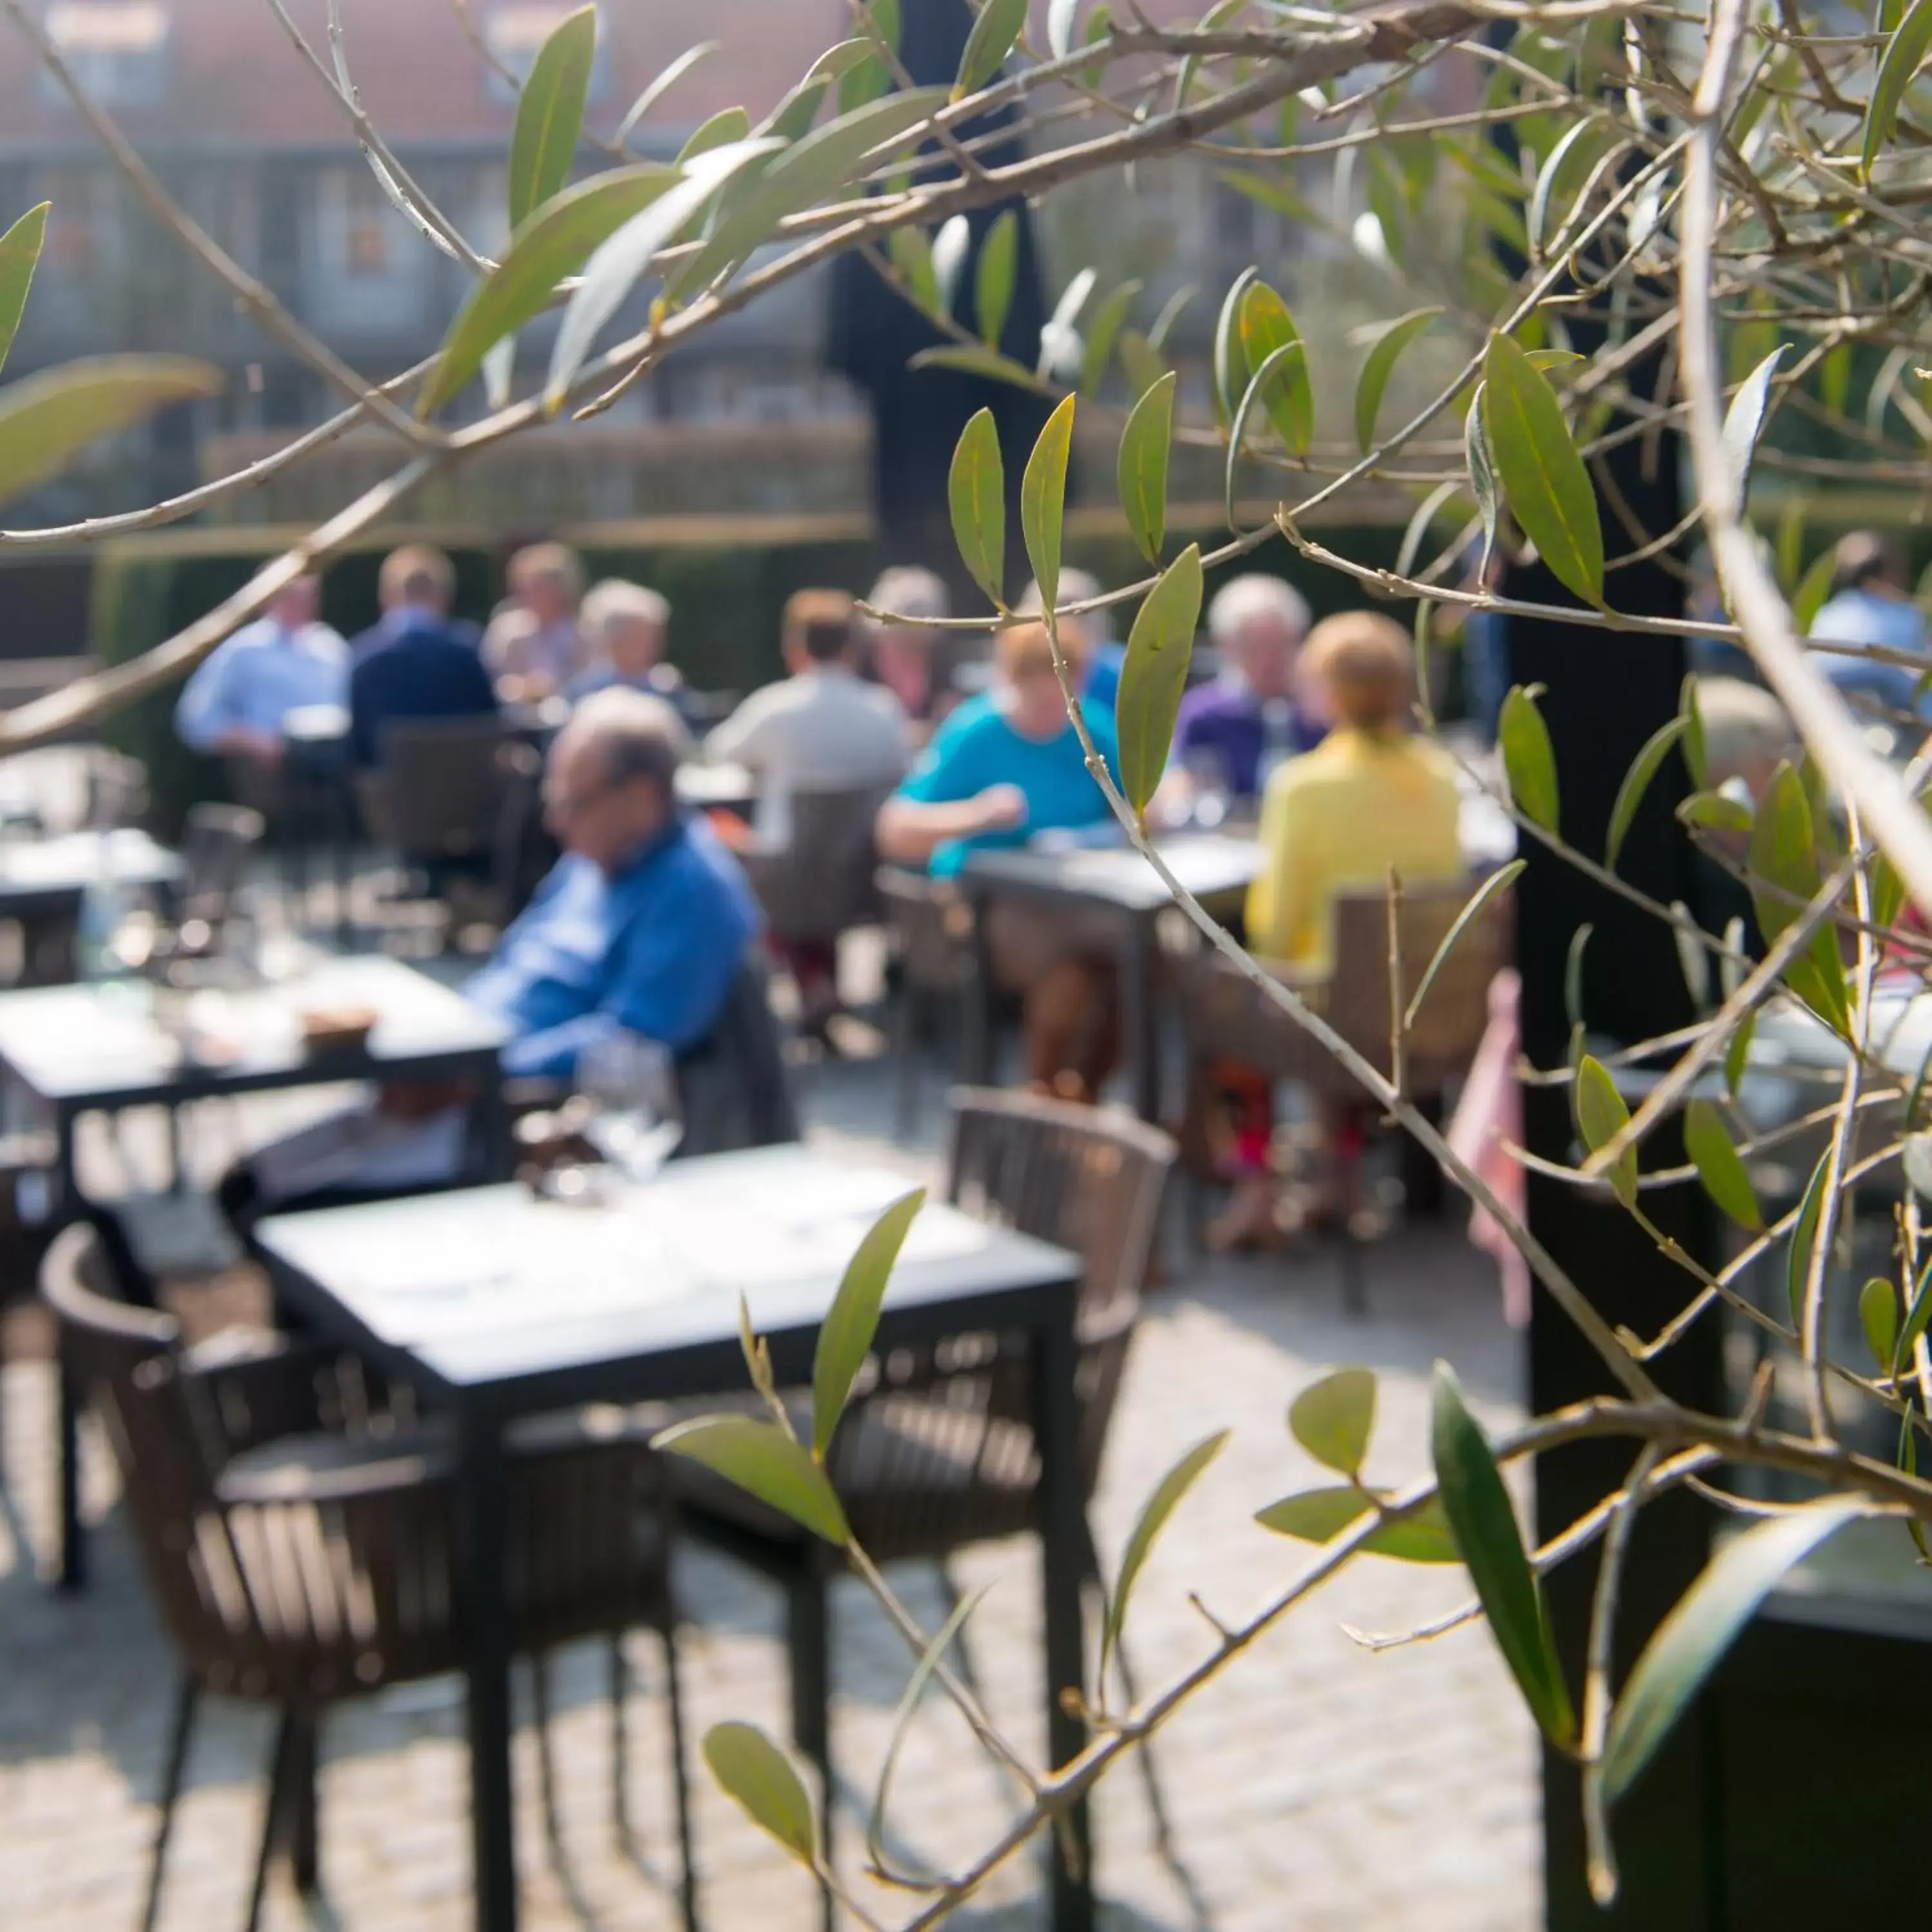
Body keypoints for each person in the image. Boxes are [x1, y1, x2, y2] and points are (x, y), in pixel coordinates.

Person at [219, 690, 761, 1224]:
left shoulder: (692, 890)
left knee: (272, 1207)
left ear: (642, 796)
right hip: (459, 1081)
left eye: (573, 804)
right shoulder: (591, 864)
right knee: (242, 1184)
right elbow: (510, 970)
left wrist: (475, 1073)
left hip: (519, 1124)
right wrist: (436, 1051)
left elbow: (632, 1050)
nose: (555, 823)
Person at [1212, 611, 1464, 1249]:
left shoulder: (1303, 786)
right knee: (1337, 988)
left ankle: (1254, 1185)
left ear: (1325, 689)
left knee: (1222, 998)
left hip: (1338, 1022)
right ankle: (1340, 1178)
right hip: (1431, 1008)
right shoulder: (1442, 776)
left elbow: (1273, 926)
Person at [877, 619, 1121, 1099]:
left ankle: (1075, 1098)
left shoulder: (1090, 725)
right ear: (1014, 681)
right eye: (1045, 694)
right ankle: (1048, 1100)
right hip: (987, 909)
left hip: (1080, 902)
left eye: (1067, 691)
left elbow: (1143, 798)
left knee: (1147, 966)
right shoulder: (976, 731)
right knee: (1072, 973)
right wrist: (978, 814)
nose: (1057, 707)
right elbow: (895, 829)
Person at [706, 589, 910, 1032]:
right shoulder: (884, 710)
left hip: (788, 880)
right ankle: (819, 983)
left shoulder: (776, 708)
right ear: (852, 649)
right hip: (861, 879)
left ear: (796, 649)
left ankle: (812, 983)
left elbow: (720, 751)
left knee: (722, 844)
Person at [1166, 574, 1324, 815]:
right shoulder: (1203, 714)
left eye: (1280, 644)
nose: (1269, 659)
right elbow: (1181, 785)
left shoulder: (1324, 708)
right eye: (1254, 646)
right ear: (1226, 646)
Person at [346, 545, 498, 769]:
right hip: (467, 794)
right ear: (443, 597)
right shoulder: (467, 653)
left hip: (390, 798)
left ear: (386, 598)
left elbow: (358, 747)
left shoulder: (363, 658)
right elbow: (492, 725)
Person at [174, 575, 346, 767]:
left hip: (335, 764)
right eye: (291, 596)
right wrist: (255, 741)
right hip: (275, 772)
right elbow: (197, 718)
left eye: (307, 597)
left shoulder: (331, 647)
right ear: (268, 597)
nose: (300, 604)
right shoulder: (244, 649)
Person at [1807, 531, 1930, 720]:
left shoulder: (1827, 614)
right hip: (1892, 721)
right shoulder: (1905, 616)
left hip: (1825, 716)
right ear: (1888, 575)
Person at [567, 578, 696, 723]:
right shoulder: (585, 692)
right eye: (640, 638)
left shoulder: (668, 688)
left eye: (655, 637)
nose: (653, 646)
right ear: (613, 641)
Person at [861, 565, 967, 732]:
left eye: (920, 644)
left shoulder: (942, 674)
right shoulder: (855, 673)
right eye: (901, 641)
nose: (912, 654)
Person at [484, 541, 590, 701]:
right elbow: (491, 676)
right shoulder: (506, 629)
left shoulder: (583, 632)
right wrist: (520, 687)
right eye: (524, 587)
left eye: (538, 588)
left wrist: (552, 686)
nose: (528, 595)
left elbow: (589, 680)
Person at [1019, 567, 1123, 713]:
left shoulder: (1124, 672)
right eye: (1058, 607)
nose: (1068, 621)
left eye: (1079, 610)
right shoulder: (1017, 672)